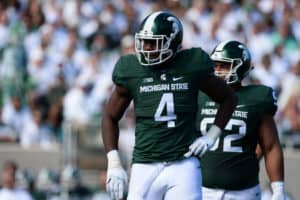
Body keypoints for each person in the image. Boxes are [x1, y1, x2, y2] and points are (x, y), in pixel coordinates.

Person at [101, 11, 238, 200]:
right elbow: (109, 117)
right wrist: (114, 163)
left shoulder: (192, 64)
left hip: (183, 163)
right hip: (144, 163)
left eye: (153, 43)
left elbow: (229, 98)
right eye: (144, 42)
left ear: (172, 42)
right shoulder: (131, 69)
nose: (147, 48)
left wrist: (212, 135)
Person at [196, 40, 286, 200]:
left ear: (240, 68)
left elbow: (270, 146)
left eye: (223, 66)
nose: (217, 71)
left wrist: (278, 189)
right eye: (215, 65)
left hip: (243, 192)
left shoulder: (256, 98)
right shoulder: (199, 95)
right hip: (201, 188)